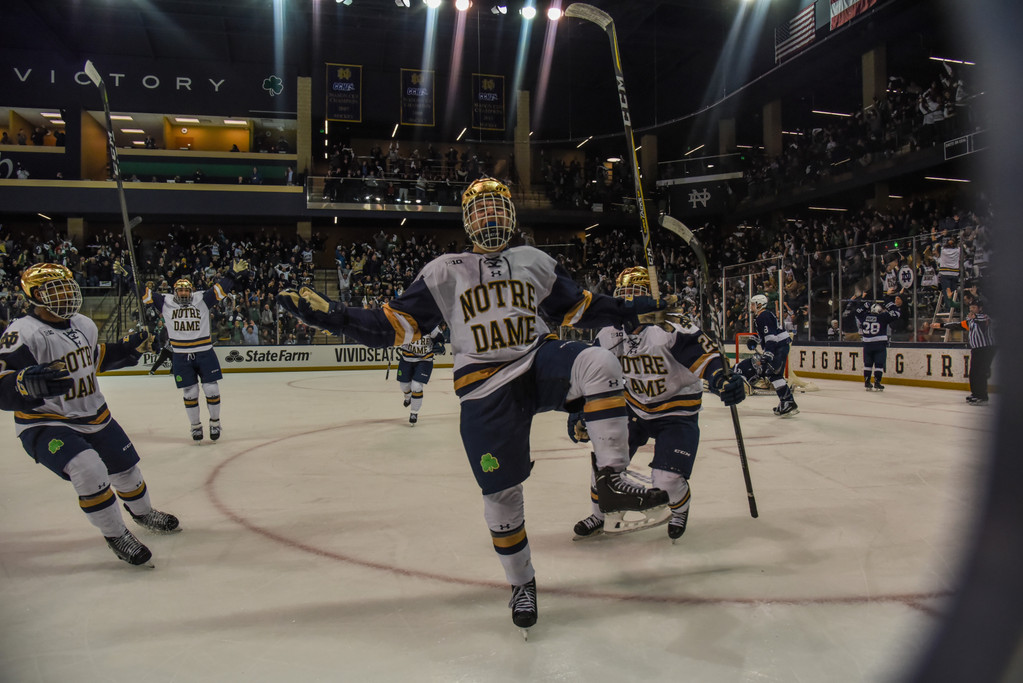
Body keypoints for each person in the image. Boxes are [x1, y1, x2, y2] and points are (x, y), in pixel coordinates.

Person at [277, 177, 671, 633]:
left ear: (511, 213)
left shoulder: (535, 261)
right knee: (501, 497)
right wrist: (334, 316)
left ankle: (613, 480)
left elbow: (580, 308)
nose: (489, 216)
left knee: (600, 360)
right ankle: (522, 583)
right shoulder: (446, 269)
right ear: (467, 221)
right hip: (484, 387)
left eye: (496, 206)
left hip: (536, 359)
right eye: (479, 209)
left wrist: (634, 310)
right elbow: (394, 326)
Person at [0, 264, 178, 567]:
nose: (65, 293)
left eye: (67, 286)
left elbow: (92, 359)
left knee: (127, 471)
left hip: (95, 413)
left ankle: (143, 513)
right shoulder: (22, 332)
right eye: (53, 289)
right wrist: (23, 383)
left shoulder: (83, 323)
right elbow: (5, 384)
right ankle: (115, 534)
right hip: (46, 421)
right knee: (89, 469)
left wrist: (128, 350)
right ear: (33, 295)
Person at [568, 267, 746, 542]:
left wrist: (722, 378)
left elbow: (707, 357)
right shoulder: (607, 333)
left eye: (635, 295)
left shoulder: (672, 325)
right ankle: (601, 513)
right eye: (623, 296)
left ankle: (679, 509)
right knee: (604, 463)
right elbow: (593, 374)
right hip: (634, 406)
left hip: (676, 410)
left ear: (649, 298)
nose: (628, 301)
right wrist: (580, 407)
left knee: (667, 481)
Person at [142, 259, 249, 442]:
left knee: (211, 389)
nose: (183, 293)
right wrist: (129, 275)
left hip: (204, 352)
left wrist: (232, 273)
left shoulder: (201, 298)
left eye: (186, 289)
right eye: (180, 290)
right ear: (175, 292)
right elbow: (143, 292)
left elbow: (220, 289)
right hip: (181, 355)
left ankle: (215, 422)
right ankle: (195, 426)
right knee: (190, 393)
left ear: (191, 291)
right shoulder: (165, 301)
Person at [735, 294, 798, 416]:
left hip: (778, 346)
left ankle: (788, 402)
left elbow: (771, 336)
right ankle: (787, 401)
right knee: (773, 373)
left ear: (759, 304)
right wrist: (755, 339)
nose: (751, 306)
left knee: (773, 373)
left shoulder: (764, 315)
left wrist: (769, 353)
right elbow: (766, 333)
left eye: (753, 304)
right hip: (779, 345)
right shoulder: (763, 315)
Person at [932, 298, 996, 405]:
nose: (971, 310)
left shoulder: (985, 317)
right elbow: (959, 325)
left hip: (986, 349)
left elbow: (983, 320)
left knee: (980, 373)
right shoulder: (971, 320)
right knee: (973, 373)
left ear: (980, 308)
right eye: (971, 308)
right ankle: (976, 393)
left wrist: (975, 317)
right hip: (977, 350)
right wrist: (941, 326)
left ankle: (982, 396)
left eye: (974, 308)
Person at [396, 322, 446, 425]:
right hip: (406, 359)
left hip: (425, 360)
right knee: (404, 386)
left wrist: (440, 346)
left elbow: (440, 341)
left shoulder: (431, 327)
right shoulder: (405, 323)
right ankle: (408, 396)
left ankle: (414, 412)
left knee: (416, 386)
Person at [855, 297, 902, 391]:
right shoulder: (882, 317)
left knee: (867, 364)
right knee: (879, 364)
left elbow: (857, 312)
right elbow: (897, 313)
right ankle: (877, 382)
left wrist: (866, 304)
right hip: (879, 345)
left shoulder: (864, 317)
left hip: (867, 345)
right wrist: (888, 303)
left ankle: (867, 382)